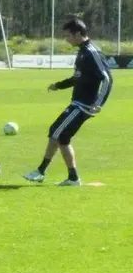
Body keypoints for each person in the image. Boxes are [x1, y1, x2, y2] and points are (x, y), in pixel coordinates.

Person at [23, 17, 112, 186]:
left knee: (56, 131)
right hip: (78, 103)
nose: (66, 39)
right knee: (62, 137)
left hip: (84, 105)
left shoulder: (92, 53)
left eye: (68, 36)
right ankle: (72, 178)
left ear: (78, 33)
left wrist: (99, 103)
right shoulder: (82, 51)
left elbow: (107, 79)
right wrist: (59, 85)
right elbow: (77, 78)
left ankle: (40, 172)